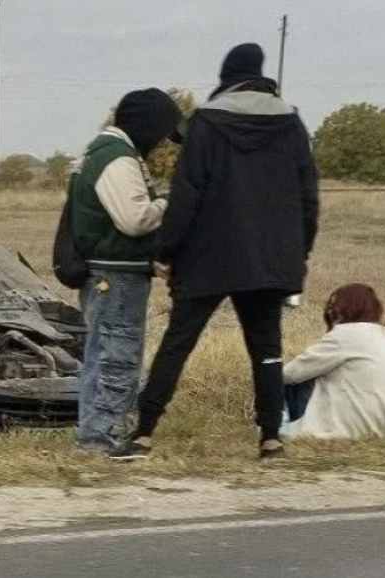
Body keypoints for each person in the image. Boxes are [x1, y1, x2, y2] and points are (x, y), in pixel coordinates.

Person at [133, 43, 320, 459]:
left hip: (208, 255)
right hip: (270, 257)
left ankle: (143, 432)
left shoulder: (205, 121)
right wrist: (299, 253)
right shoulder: (292, 123)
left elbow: (188, 192)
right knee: (267, 348)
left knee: (178, 342)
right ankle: (271, 437)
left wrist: (166, 249)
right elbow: (308, 196)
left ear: (226, 75)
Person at [71, 88, 183, 460]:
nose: (162, 142)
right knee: (117, 357)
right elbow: (134, 220)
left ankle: (92, 433)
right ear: (148, 125)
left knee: (100, 354)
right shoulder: (116, 158)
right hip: (115, 279)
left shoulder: (104, 151)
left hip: (108, 276)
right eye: (163, 133)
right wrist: (170, 202)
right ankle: (100, 439)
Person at [281, 283, 385, 442]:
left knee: (287, 378)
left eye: (333, 306)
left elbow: (290, 373)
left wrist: (265, 373)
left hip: (348, 429)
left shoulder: (344, 335)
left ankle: (278, 427)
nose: (330, 312)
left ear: (344, 309)